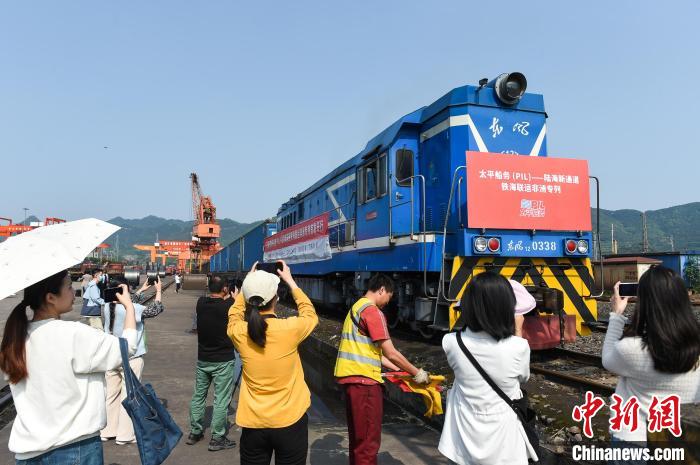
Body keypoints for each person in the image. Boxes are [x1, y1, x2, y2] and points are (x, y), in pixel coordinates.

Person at [0, 270, 138, 464]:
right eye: (68, 287)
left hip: (27, 453)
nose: (74, 292)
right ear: (50, 298)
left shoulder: (14, 340)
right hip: (75, 447)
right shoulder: (74, 334)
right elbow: (127, 348)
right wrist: (129, 307)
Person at [438, 271, 537, 465]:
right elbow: (523, 378)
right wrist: (517, 331)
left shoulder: (450, 342)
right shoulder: (519, 347)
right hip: (504, 443)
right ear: (507, 308)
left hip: (462, 439)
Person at [603, 267, 700, 461]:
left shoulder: (631, 349)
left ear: (645, 303)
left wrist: (616, 315)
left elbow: (607, 360)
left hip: (633, 442)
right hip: (683, 442)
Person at [334, 273, 431, 465]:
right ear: (382, 290)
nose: (388, 301)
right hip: (365, 385)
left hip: (352, 381)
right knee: (368, 445)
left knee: (358, 442)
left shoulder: (356, 308)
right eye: (390, 296)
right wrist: (417, 373)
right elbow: (391, 352)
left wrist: (399, 371)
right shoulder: (373, 312)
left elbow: (373, 353)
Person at [227, 261, 317, 465]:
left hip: (253, 423)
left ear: (249, 299)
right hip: (290, 421)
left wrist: (247, 285)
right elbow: (309, 314)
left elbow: (233, 314)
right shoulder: (290, 329)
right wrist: (291, 281)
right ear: (276, 298)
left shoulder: (240, 332)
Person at [100, 276, 165, 445]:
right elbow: (155, 309)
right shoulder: (133, 308)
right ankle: (125, 435)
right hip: (131, 358)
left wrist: (142, 289)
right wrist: (158, 290)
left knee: (111, 395)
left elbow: (129, 300)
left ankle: (108, 431)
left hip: (111, 357)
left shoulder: (106, 307)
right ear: (124, 290)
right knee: (130, 395)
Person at [187, 276, 240, 451]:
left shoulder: (201, 303)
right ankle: (217, 437)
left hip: (203, 359)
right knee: (221, 400)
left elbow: (216, 299)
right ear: (225, 289)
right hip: (223, 361)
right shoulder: (230, 305)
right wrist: (236, 298)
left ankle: (195, 432)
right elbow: (238, 306)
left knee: (198, 396)